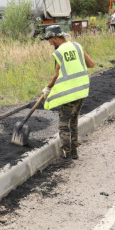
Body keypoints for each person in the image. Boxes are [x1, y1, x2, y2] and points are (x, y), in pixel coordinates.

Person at [42, 25, 95, 167]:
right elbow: (91, 64)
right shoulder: (77, 46)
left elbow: (57, 74)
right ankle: (74, 151)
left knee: (64, 124)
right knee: (74, 121)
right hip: (82, 90)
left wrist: (48, 88)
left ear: (55, 38)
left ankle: (66, 157)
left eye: (49, 40)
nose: (49, 43)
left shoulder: (59, 52)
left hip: (70, 93)